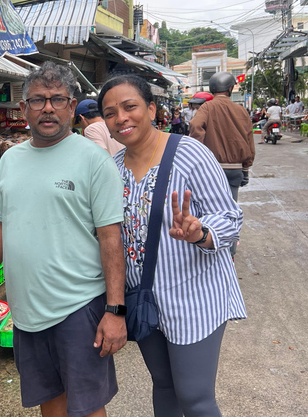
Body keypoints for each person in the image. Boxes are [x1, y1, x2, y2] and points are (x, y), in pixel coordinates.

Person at [0, 61, 126, 417]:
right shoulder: (11, 160)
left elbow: (110, 239)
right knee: (50, 403)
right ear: (24, 108)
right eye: (38, 100)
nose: (47, 107)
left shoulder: (93, 160)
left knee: (88, 407)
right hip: (27, 312)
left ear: (72, 107)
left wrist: (115, 311)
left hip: (78, 307)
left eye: (58, 99)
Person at [98, 74, 246, 417]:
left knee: (194, 397)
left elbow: (229, 217)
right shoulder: (112, 169)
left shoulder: (190, 154)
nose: (121, 118)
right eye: (110, 113)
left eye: (129, 106)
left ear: (151, 109)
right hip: (146, 298)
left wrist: (200, 233)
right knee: (164, 386)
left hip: (194, 297)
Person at [189, 71, 256, 206]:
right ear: (230, 88)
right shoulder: (241, 110)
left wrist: (198, 154)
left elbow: (196, 126)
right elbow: (249, 138)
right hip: (236, 169)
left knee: (212, 210)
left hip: (212, 169)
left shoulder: (207, 107)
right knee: (231, 209)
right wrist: (246, 169)